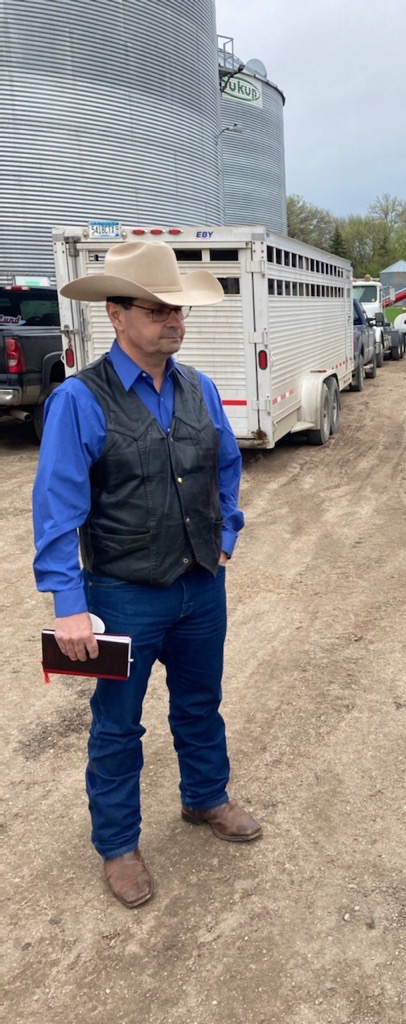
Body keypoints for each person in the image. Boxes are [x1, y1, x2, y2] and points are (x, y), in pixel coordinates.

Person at [33, 241, 261, 909]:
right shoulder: (79, 401)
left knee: (200, 704)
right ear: (116, 315)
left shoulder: (201, 389)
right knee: (116, 725)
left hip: (199, 586)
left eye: (178, 311)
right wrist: (68, 604)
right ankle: (118, 845)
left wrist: (225, 536)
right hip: (120, 595)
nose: (173, 321)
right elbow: (57, 508)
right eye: (157, 310)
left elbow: (225, 467)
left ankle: (206, 798)